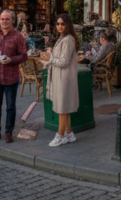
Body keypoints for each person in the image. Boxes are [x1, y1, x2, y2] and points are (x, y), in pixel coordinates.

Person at [0, 10, 28, 143]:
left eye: (7, 19)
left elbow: (24, 56)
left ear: (12, 20)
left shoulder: (18, 36)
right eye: (2, 19)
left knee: (10, 106)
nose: (4, 21)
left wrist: (11, 60)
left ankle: (8, 132)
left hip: (11, 77)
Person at [43, 13, 80, 147]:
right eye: (58, 24)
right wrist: (50, 55)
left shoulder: (68, 40)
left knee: (62, 108)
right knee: (63, 107)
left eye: (62, 24)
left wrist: (50, 59)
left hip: (64, 78)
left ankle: (60, 135)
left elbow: (64, 61)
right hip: (61, 77)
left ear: (68, 25)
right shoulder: (63, 38)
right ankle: (69, 133)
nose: (59, 26)